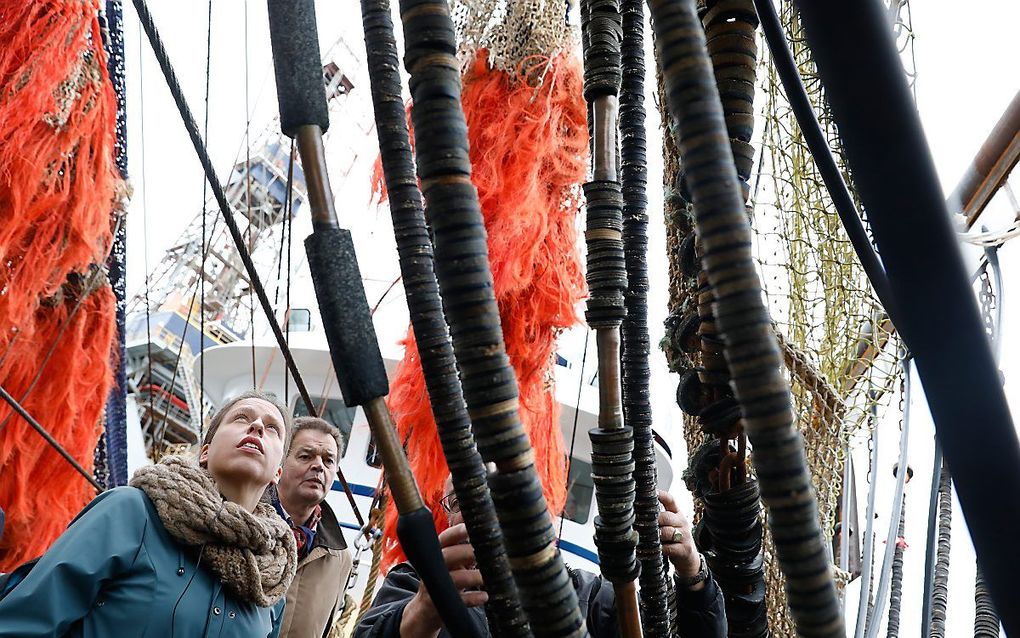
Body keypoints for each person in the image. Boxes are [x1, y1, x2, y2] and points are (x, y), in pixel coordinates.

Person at [0, 390, 298, 637]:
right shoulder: (132, 512)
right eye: (242, 418)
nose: (257, 426)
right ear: (205, 452)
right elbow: (26, 621)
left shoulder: (270, 587)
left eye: (272, 428)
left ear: (278, 473)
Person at [355, 478, 726, 637]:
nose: (479, 511)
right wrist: (421, 615)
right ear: (448, 515)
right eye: (460, 502)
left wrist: (693, 572)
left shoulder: (589, 597)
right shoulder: (414, 582)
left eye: (496, 496)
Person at [273, 416, 353, 637]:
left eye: (328, 461)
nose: (318, 465)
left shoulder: (340, 559)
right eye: (306, 456)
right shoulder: (243, 522)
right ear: (280, 463)